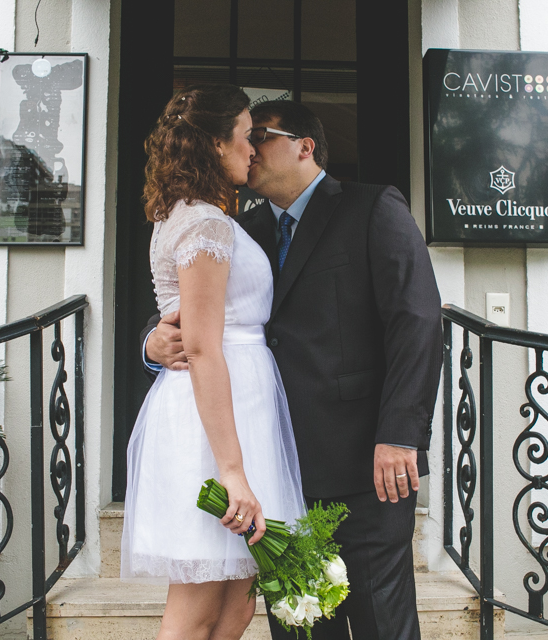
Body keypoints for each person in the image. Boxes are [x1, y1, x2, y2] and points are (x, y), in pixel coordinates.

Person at [143, 100, 442, 639]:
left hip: (360, 461)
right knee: (300, 624)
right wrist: (153, 340)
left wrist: (400, 433)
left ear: (305, 146)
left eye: (262, 134)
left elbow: (416, 322)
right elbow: (196, 307)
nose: (249, 147)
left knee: (381, 617)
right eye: (244, 135)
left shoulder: (373, 208)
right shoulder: (235, 226)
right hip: (271, 462)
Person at [121, 84, 305, 640]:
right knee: (198, 608)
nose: (253, 150)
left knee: (237, 605)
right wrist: (231, 470)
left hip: (241, 402)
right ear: (215, 144)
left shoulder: (203, 215)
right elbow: (201, 345)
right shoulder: (204, 223)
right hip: (215, 423)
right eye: (246, 138)